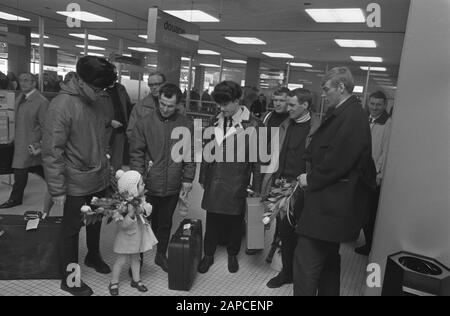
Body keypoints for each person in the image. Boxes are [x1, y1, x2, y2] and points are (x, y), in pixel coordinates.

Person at [294, 67, 376, 296]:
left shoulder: (352, 117)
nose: (323, 94)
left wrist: (309, 179)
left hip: (328, 205)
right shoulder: (345, 113)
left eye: (326, 88)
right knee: (329, 262)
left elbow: (337, 161)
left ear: (341, 87)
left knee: (306, 264)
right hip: (332, 205)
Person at [42, 56, 117, 296]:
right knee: (71, 229)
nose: (101, 92)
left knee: (95, 220)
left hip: (98, 175)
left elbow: (99, 136)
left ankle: (93, 256)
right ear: (82, 81)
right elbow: (52, 151)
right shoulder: (62, 105)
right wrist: (57, 190)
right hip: (75, 180)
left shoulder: (95, 100)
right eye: (98, 87)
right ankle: (69, 278)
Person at [129, 83, 196, 273]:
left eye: (170, 106)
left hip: (173, 183)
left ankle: (161, 255)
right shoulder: (144, 122)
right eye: (162, 104)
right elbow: (136, 155)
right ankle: (138, 260)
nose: (165, 109)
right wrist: (138, 180)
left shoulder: (185, 124)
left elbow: (190, 154)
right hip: (148, 184)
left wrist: (188, 178)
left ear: (178, 105)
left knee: (165, 223)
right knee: (142, 224)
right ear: (159, 100)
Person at [198, 80, 262, 274]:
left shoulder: (253, 124)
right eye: (218, 104)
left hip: (237, 178)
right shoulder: (214, 120)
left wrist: (256, 186)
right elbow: (207, 151)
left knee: (235, 218)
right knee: (212, 216)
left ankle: (232, 253)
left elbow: (258, 160)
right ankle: (208, 254)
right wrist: (203, 177)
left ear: (236, 101)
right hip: (215, 176)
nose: (221, 108)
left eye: (225, 104)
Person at [262, 88, 320, 288]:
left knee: (301, 234)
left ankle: (299, 273)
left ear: (305, 105)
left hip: (304, 187)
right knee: (284, 231)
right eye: (288, 104)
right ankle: (287, 272)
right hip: (282, 185)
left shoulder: (317, 128)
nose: (288, 108)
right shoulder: (286, 124)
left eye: (292, 105)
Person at [0, 73, 50, 210]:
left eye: (27, 80)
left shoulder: (41, 101)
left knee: (21, 169)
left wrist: (40, 144)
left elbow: (46, 126)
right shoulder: (21, 98)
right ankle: (60, 191)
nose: (23, 83)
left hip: (31, 143)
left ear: (34, 83)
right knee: (39, 169)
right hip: (20, 141)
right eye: (21, 80)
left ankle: (15, 199)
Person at [254, 87, 291, 259]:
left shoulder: (292, 120)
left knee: (278, 207)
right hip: (264, 164)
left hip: (281, 169)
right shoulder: (268, 117)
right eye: (275, 100)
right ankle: (255, 242)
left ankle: (275, 245)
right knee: (258, 201)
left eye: (281, 100)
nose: (277, 103)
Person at [108, 170, 157, 296]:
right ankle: (113, 282)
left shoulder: (140, 199)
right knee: (120, 261)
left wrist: (141, 209)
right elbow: (122, 225)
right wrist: (130, 214)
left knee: (136, 259)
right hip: (125, 239)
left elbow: (148, 207)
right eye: (141, 184)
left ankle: (136, 280)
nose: (144, 185)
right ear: (132, 189)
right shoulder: (120, 206)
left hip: (137, 238)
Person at [355, 91, 392, 256]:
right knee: (355, 206)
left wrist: (379, 174)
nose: (374, 108)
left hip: (372, 175)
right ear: (367, 103)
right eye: (372, 104)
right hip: (358, 171)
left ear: (385, 105)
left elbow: (386, 151)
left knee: (369, 213)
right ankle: (352, 234)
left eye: (378, 105)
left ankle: (370, 246)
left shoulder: (388, 124)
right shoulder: (364, 120)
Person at [126, 71, 166, 138]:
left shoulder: (176, 107)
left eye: (157, 84)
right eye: (151, 85)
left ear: (164, 84)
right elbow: (131, 132)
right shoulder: (139, 107)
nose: (154, 87)